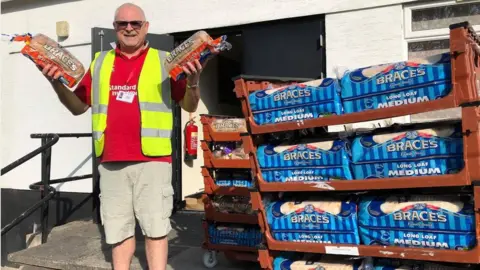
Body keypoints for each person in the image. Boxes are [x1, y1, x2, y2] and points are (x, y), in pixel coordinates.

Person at [39, 3, 209, 270]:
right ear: (115, 27)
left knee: (156, 230)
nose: (129, 28)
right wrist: (55, 83)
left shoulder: (165, 61)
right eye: (122, 24)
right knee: (118, 234)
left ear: (146, 28)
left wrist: (194, 81)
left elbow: (188, 105)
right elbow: (77, 107)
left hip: (153, 161)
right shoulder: (100, 62)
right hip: (111, 161)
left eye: (135, 24)